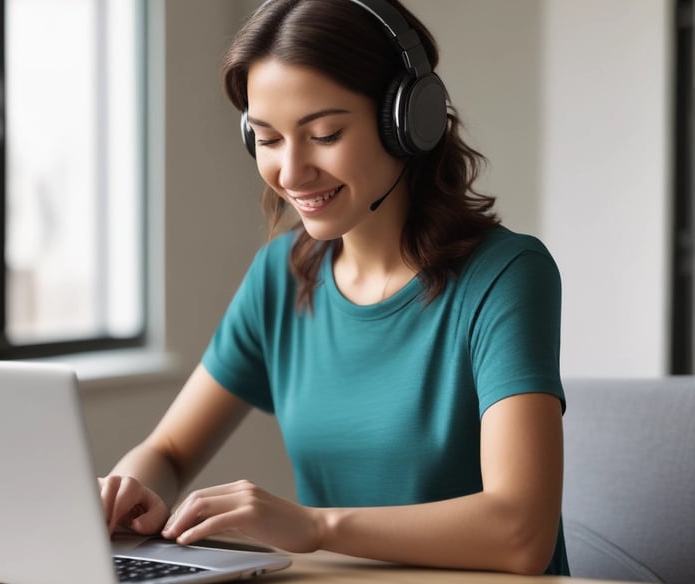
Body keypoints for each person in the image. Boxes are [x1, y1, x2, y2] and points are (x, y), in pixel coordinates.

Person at [100, 0, 569, 576]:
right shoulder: (281, 275)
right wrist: (128, 489)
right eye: (267, 139)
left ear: (408, 121)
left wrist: (317, 527)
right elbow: (169, 451)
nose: (291, 174)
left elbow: (521, 532)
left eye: (324, 134)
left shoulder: (506, 275)